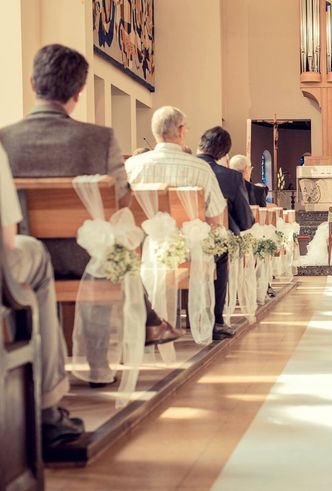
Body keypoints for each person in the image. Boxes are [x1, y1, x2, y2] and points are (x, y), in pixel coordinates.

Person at [0, 44, 180, 388]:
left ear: (32, 83)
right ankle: (98, 366)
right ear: (79, 92)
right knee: (106, 249)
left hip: (17, 256)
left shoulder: (4, 139)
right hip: (82, 258)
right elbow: (121, 199)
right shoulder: (98, 138)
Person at [0, 142, 86, 448]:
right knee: (34, 251)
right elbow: (8, 238)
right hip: (77, 257)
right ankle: (47, 404)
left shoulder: (11, 135)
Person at [125, 106, 233, 341]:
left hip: (141, 248)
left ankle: (143, 318)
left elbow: (121, 211)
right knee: (222, 249)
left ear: (155, 132)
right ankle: (214, 322)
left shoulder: (133, 166)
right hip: (188, 250)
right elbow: (215, 218)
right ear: (181, 131)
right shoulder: (199, 167)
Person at [196, 127, 255, 338]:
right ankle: (217, 320)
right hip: (205, 245)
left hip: (162, 244)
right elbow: (245, 220)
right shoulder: (229, 177)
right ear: (223, 153)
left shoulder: (188, 165)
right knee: (221, 250)